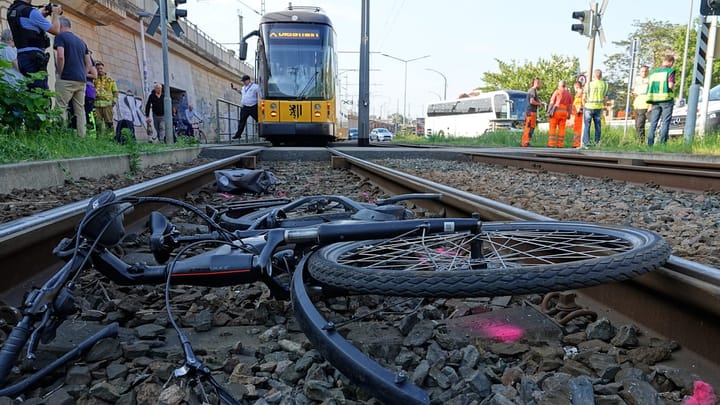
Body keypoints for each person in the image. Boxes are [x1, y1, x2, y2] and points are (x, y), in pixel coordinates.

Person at [6, 0, 62, 90]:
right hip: (35, 58)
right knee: (40, 92)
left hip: (21, 56)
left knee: (28, 89)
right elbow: (56, 30)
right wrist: (55, 14)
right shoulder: (31, 12)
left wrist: (42, 15)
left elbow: (26, 25)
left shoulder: (11, 11)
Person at [53, 17, 93, 137]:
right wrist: (83, 74)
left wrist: (60, 73)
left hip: (66, 78)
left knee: (60, 106)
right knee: (80, 110)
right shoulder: (81, 41)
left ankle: (61, 135)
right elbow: (89, 63)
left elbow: (60, 56)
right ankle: (82, 136)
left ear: (61, 25)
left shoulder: (60, 37)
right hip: (81, 81)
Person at [646, 55, 676, 146]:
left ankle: (650, 144)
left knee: (653, 122)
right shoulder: (670, 71)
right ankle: (662, 143)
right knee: (665, 122)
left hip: (654, 100)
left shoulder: (653, 73)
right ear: (670, 62)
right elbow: (670, 85)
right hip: (666, 100)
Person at [582, 69, 608, 147]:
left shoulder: (588, 84)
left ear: (594, 76)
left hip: (588, 107)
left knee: (587, 126)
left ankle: (586, 143)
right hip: (599, 108)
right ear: (601, 75)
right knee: (598, 126)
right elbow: (606, 98)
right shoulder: (605, 84)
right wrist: (604, 105)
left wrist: (584, 106)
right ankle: (597, 143)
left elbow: (583, 98)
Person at [231, 74, 260, 140]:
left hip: (253, 106)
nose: (243, 82)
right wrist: (235, 89)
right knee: (241, 121)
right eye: (243, 81)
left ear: (248, 80)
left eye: (244, 81)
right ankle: (238, 135)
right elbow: (242, 93)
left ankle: (263, 133)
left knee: (259, 119)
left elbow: (261, 93)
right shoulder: (243, 87)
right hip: (245, 107)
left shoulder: (255, 86)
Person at [547, 80, 573, 148]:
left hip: (556, 112)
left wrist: (549, 111)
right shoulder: (568, 94)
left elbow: (552, 102)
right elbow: (570, 105)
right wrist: (569, 114)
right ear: (565, 85)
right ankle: (560, 145)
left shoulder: (557, 92)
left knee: (552, 128)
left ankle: (551, 144)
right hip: (564, 113)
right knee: (562, 129)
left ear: (559, 85)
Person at [93, 61, 118, 131]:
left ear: (104, 69)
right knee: (98, 124)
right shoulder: (94, 79)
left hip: (107, 105)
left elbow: (115, 92)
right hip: (97, 105)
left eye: (101, 68)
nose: (99, 70)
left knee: (109, 123)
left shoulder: (110, 80)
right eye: (98, 69)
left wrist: (114, 102)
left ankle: (110, 139)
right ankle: (100, 139)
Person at [521, 78, 543, 147]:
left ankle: (526, 142)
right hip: (531, 112)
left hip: (531, 112)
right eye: (540, 83)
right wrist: (538, 104)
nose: (541, 85)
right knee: (529, 127)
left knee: (531, 127)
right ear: (537, 83)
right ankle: (525, 143)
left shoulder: (532, 91)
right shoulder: (532, 91)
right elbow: (532, 101)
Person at [632, 65, 651, 144]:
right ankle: (640, 141)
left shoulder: (650, 80)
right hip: (637, 105)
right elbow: (635, 92)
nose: (644, 73)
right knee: (637, 125)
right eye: (642, 71)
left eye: (645, 71)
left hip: (645, 104)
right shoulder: (637, 80)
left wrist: (650, 104)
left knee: (640, 124)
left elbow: (651, 93)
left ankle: (641, 142)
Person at [571, 81, 584, 148]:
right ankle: (576, 143)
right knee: (577, 130)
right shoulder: (579, 94)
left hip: (579, 115)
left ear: (577, 87)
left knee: (578, 130)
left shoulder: (580, 94)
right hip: (577, 115)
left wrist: (579, 110)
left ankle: (577, 144)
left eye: (575, 88)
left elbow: (580, 104)